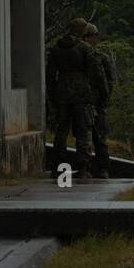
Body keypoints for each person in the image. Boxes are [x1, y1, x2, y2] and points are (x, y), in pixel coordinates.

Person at [46, 17, 108, 179]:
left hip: (62, 94)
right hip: (82, 94)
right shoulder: (85, 48)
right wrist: (103, 93)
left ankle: (58, 166)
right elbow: (98, 73)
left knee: (61, 131)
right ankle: (83, 167)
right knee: (83, 132)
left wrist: (52, 96)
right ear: (82, 31)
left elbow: (50, 76)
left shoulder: (55, 49)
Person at [84, 22, 116, 179]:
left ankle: (101, 168)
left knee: (98, 137)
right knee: (89, 137)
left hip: (93, 103)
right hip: (86, 103)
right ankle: (93, 168)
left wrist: (104, 99)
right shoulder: (85, 56)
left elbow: (109, 81)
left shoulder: (100, 58)